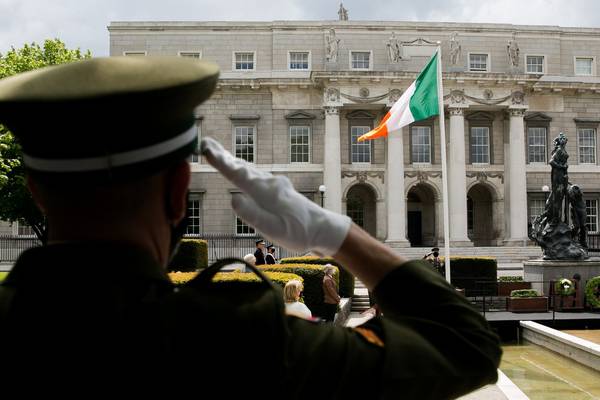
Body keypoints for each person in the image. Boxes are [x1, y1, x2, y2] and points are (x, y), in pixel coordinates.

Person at [0, 56, 501, 398]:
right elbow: (465, 345)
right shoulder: (236, 342)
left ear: (37, 190)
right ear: (179, 192)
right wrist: (339, 235)